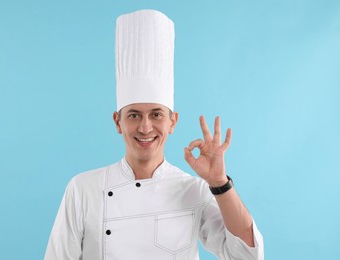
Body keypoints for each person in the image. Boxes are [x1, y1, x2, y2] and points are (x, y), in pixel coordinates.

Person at [45, 9, 264, 260]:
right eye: (134, 115)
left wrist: (220, 183)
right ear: (118, 122)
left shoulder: (193, 190)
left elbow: (247, 256)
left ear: (173, 122)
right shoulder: (83, 189)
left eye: (157, 114)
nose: (145, 128)